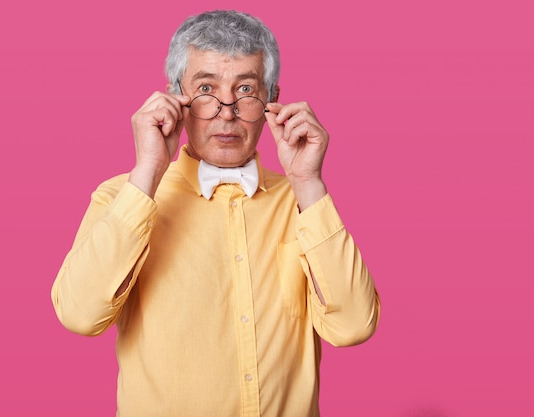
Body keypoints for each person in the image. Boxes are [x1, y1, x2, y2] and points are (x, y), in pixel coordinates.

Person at [51, 10, 380, 417]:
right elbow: (80, 315)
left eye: (245, 89)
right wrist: (148, 173)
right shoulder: (123, 196)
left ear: (272, 101)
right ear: (176, 97)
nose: (227, 111)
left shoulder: (303, 203)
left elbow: (354, 326)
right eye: (206, 88)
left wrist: (309, 183)